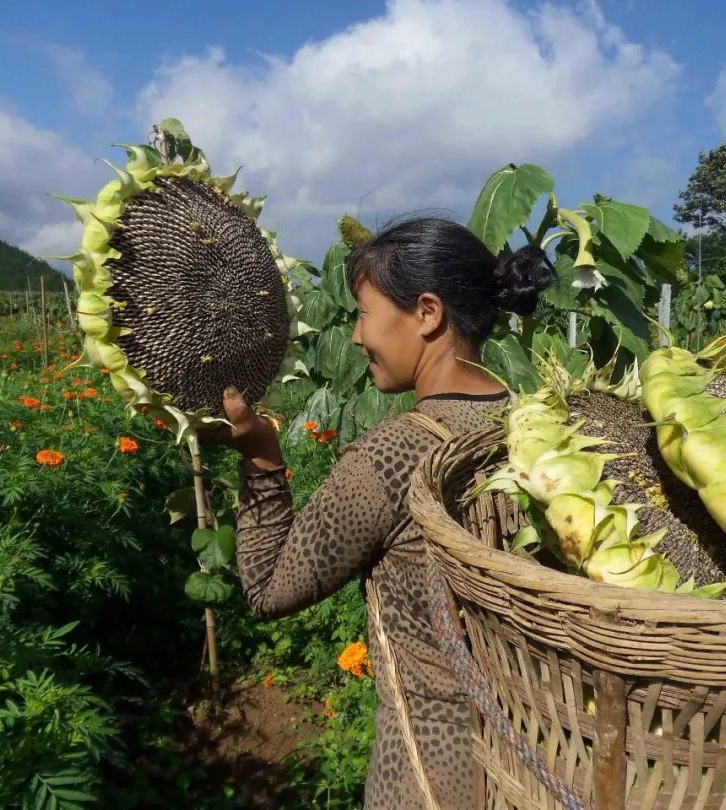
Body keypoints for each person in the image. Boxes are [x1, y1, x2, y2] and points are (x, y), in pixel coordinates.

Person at [208, 217, 554, 809]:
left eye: (363, 313)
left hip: (431, 770)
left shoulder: (397, 454)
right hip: (537, 757)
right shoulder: (538, 425)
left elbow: (269, 588)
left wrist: (262, 458)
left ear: (426, 312)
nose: (354, 337)